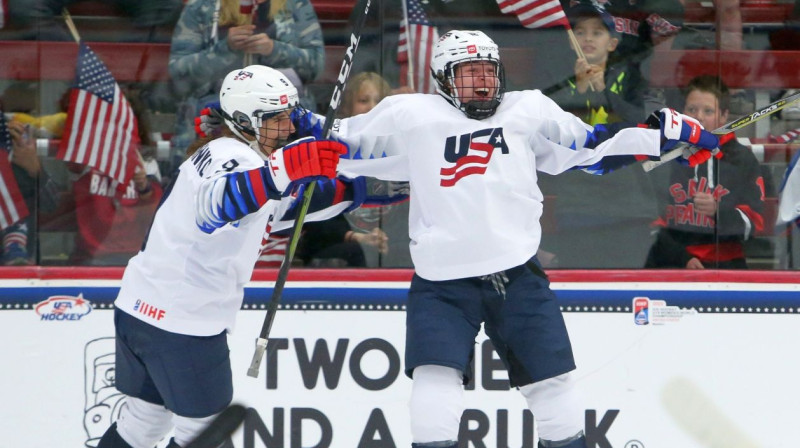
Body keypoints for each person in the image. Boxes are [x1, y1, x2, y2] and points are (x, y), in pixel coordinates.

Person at [294, 30, 719, 448]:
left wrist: (664, 134)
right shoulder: (410, 113)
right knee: (434, 381)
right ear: (443, 78)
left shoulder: (527, 109)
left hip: (516, 274)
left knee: (553, 387)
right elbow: (338, 140)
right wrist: (294, 117)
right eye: (468, 72)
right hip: (441, 282)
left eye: (488, 71)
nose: (482, 81)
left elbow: (592, 149)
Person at [95, 65, 354, 448]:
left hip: (141, 308)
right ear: (246, 121)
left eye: (288, 116)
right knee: (202, 437)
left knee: (143, 423)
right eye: (275, 119)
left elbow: (294, 203)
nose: (287, 128)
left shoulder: (227, 151)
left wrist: (372, 186)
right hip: (181, 325)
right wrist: (282, 174)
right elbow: (220, 202)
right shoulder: (235, 159)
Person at [539, 3, 658, 268]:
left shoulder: (634, 82)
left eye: (597, 32)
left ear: (613, 43)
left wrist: (604, 91)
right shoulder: (557, 87)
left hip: (629, 209)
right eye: (580, 32)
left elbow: (643, 128)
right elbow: (548, 137)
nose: (588, 38)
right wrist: (578, 92)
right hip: (578, 208)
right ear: (572, 43)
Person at [168, 0, 324, 158]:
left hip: (283, 107)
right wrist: (224, 49)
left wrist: (274, 50)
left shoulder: (295, 4)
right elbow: (180, 72)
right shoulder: (201, 6)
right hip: (218, 107)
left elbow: (316, 66)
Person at [646, 75, 765, 269]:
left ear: (724, 116)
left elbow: (754, 224)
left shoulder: (741, 159)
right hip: (670, 263)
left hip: (725, 265)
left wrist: (719, 212)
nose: (698, 117)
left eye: (708, 111)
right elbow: (649, 223)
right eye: (692, 109)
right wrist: (682, 259)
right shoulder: (664, 156)